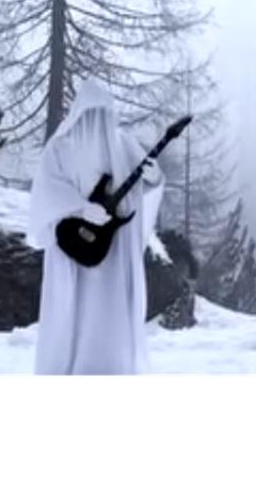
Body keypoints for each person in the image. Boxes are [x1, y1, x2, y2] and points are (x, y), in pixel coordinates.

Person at [27, 77, 164, 374]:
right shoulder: (60, 148)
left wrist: (154, 177)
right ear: (79, 112)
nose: (97, 122)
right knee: (74, 316)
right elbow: (47, 192)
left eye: (103, 114)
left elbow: (144, 188)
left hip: (112, 256)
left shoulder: (123, 145)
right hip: (72, 255)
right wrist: (80, 208)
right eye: (91, 113)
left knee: (107, 316)